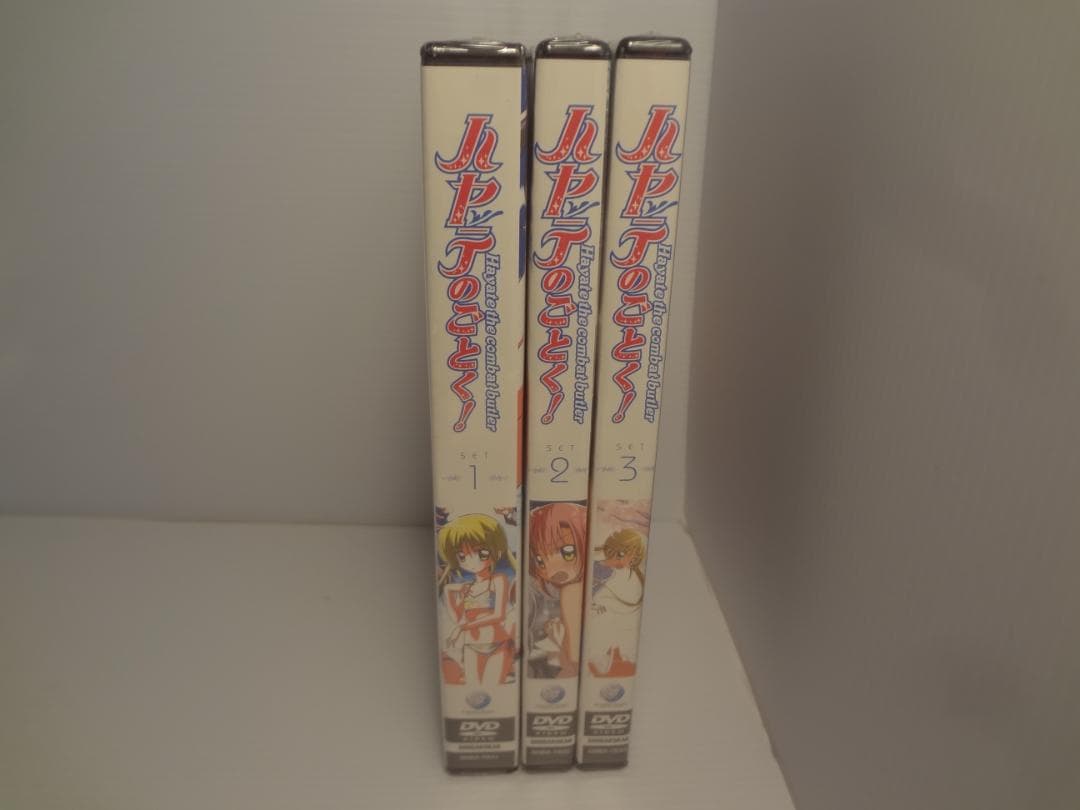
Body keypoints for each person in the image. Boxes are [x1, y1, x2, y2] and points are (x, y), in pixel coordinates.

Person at [437, 514, 517, 686]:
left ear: (496, 552)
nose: (471, 561)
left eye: (481, 553)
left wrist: (463, 627)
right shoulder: (467, 588)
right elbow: (454, 608)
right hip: (472, 643)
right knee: (474, 686)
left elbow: (498, 615)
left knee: (493, 685)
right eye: (462, 556)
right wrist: (449, 590)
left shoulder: (498, 580)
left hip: (496, 641)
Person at [527, 503, 587, 678]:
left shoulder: (572, 591)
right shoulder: (573, 589)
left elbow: (574, 659)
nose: (551, 569)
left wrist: (557, 641)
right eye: (540, 560)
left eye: (567, 552)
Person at [587, 528, 646, 677]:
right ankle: (598, 652)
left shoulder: (612, 572)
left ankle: (606, 651)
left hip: (594, 610)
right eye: (626, 557)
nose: (627, 563)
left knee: (610, 619)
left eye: (632, 560)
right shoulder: (596, 566)